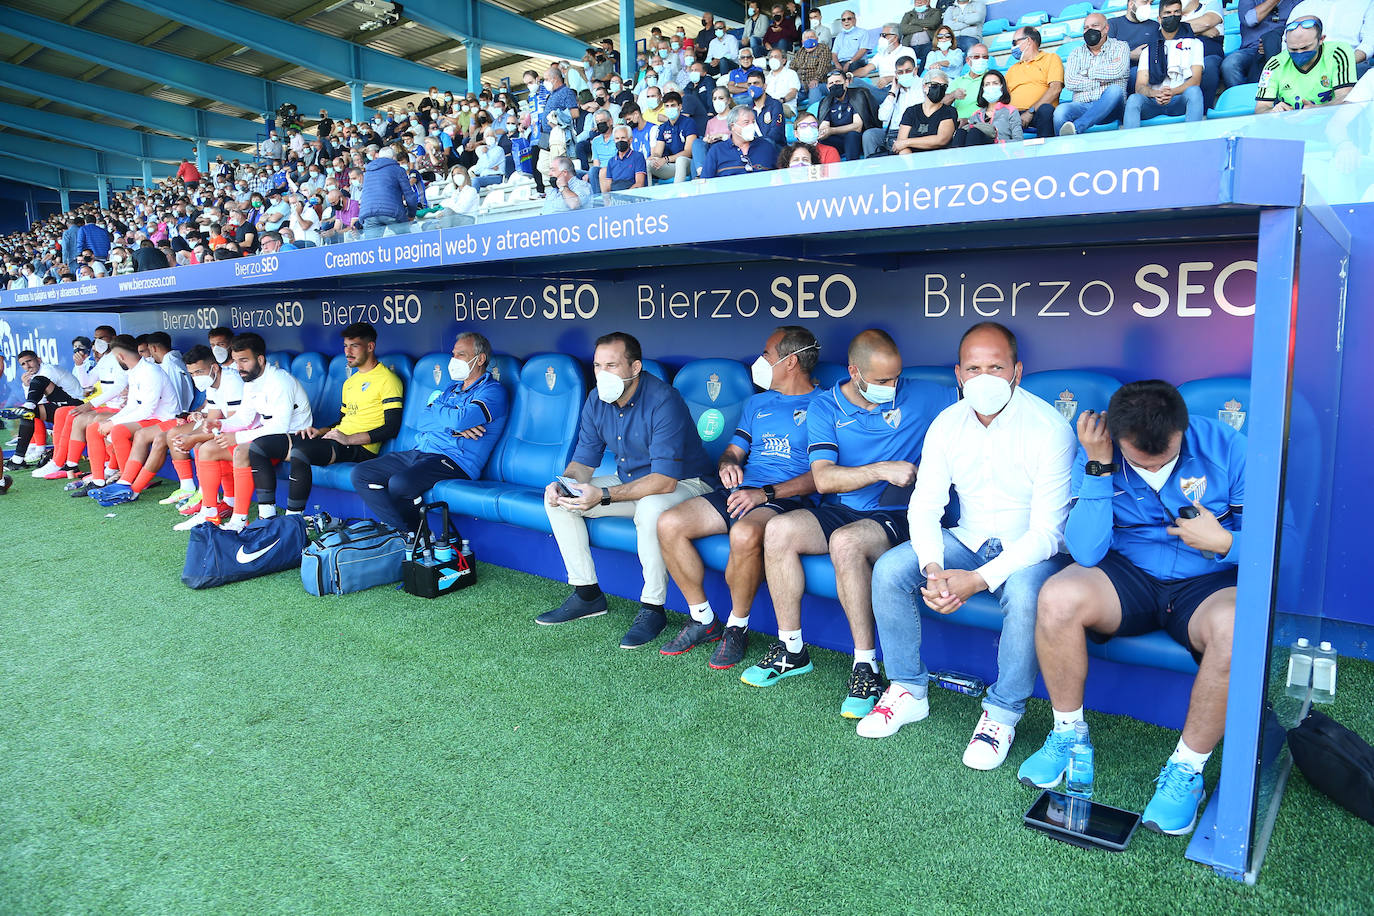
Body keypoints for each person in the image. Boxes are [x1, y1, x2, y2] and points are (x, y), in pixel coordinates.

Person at [1019, 381, 1248, 836]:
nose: (1155, 466)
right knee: (1058, 596)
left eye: (1165, 456)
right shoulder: (1099, 451)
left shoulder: (1227, 446)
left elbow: (1283, 546)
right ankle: (1068, 734)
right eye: (1141, 460)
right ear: (1117, 437)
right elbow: (1085, 551)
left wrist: (1225, 542)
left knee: (1236, 628)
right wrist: (1099, 468)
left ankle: (1187, 769)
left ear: (1183, 428)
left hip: (1209, 581)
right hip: (1130, 574)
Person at [864, 323, 1075, 771]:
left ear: (1017, 371)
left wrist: (977, 580)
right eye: (974, 368)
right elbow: (924, 506)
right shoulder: (948, 422)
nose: (984, 378)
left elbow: (1048, 534)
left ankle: (1001, 715)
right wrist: (933, 568)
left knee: (1025, 595)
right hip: (968, 538)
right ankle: (907, 689)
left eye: (996, 367)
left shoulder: (1050, 427)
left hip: (1029, 549)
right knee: (889, 570)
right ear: (958, 374)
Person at [742, 330, 956, 718]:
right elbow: (824, 479)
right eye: (881, 381)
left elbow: (979, 403)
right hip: (843, 504)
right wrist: (880, 470)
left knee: (846, 542)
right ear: (854, 371)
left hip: (897, 514)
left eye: (896, 378)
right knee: (778, 531)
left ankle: (866, 667)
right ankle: (792, 649)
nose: (892, 387)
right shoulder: (826, 406)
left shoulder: (927, 393)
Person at [537, 332, 717, 649]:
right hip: (634, 483)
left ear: (635, 367)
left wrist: (604, 495)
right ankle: (587, 594)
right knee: (558, 500)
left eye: (612, 365)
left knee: (650, 508)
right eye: (597, 366)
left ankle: (652, 609)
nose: (603, 373)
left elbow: (664, 482)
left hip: (688, 485)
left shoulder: (663, 399)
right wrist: (565, 482)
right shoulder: (596, 400)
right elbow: (583, 462)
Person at [656, 327, 821, 665]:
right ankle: (703, 619)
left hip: (785, 498)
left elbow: (823, 476)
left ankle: (737, 627)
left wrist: (766, 493)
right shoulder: (757, 402)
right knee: (669, 523)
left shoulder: (825, 404)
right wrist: (729, 464)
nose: (760, 361)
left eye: (768, 354)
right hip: (742, 491)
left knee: (745, 531)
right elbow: (733, 451)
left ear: (790, 362)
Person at [354, 332, 508, 538]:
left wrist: (449, 419)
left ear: (480, 359)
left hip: (455, 460)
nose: (454, 360)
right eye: (453, 354)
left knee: (401, 483)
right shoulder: (451, 388)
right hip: (421, 451)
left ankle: (414, 538)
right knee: (361, 474)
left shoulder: (493, 391)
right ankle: (407, 533)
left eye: (461, 355)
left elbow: (458, 420)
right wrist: (452, 427)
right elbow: (422, 421)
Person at [247, 323, 402, 520]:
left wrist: (349, 439)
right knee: (260, 446)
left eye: (354, 346)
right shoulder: (350, 382)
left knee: (300, 452)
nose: (348, 352)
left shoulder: (388, 380)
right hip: (336, 439)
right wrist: (319, 431)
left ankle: (292, 521)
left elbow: (392, 427)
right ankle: (266, 518)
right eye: (345, 346)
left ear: (370, 347)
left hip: (361, 449)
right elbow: (343, 421)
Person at [204, 333, 315, 532]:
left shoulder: (280, 381)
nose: (239, 367)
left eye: (244, 360)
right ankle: (209, 510)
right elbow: (244, 418)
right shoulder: (251, 381)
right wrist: (220, 424)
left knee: (241, 450)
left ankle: (240, 518)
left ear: (260, 359)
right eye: (237, 361)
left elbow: (280, 427)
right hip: (270, 441)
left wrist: (237, 437)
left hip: (295, 439)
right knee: (208, 448)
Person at [83, 336, 178, 496]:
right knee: (94, 428)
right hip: (148, 418)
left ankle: (127, 480)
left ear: (120, 356)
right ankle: (98, 481)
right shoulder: (134, 371)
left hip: (165, 419)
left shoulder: (150, 371)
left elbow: (147, 409)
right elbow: (133, 405)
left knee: (118, 430)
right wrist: (112, 421)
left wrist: (114, 424)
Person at [163, 346, 246, 523]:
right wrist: (192, 436)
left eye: (199, 371)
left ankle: (209, 512)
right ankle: (226, 503)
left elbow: (234, 426)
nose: (196, 377)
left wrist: (193, 438)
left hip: (248, 436)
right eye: (192, 373)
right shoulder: (212, 385)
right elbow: (213, 421)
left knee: (206, 448)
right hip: (236, 433)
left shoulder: (232, 382)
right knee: (201, 445)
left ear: (214, 367)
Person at [1125, 0, 1207, 126]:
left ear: (1181, 15)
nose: (1172, 16)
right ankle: (1131, 143)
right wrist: (1155, 93)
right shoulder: (1149, 50)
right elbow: (1140, 86)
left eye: (1176, 12)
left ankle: (1193, 139)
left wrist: (1172, 92)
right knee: (1134, 99)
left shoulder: (1195, 44)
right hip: (1154, 101)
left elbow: (1195, 80)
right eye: (1167, 13)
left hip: (1179, 99)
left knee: (1194, 92)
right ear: (1159, 19)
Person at [1254, 16, 1358, 110]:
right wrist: (1272, 112)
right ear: (1286, 43)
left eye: (1305, 47)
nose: (1299, 52)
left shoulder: (1338, 53)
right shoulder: (1274, 65)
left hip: (1332, 121)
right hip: (1290, 125)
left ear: (1321, 39)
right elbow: (1261, 108)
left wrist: (1316, 109)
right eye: (1293, 49)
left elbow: (1345, 96)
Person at [5, 350, 83, 471]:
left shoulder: (48, 371)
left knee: (37, 387)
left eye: (29, 361)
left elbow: (38, 400)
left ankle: (43, 452)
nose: (27, 366)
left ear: (39, 360)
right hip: (61, 406)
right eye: (23, 364)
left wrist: (29, 393)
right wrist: (26, 386)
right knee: (28, 413)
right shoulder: (32, 376)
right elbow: (35, 401)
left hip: (77, 405)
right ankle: (19, 458)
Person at [1057, 14, 1131, 135]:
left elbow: (1116, 71)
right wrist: (1101, 81)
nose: (1089, 30)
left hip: (1111, 107)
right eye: (1086, 28)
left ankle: (1076, 128)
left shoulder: (1120, 46)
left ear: (1106, 29)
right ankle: (1064, 149)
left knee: (1114, 90)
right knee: (1060, 111)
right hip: (1083, 106)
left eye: (1094, 26)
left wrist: (1086, 72)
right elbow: (1070, 82)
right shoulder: (1076, 53)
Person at [1222, 0, 1301, 88]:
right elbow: (1249, 20)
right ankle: (1243, 98)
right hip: (1252, 49)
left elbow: (1300, 27)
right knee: (1230, 64)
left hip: (1284, 47)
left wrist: (1272, 44)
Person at [1006, 26, 1064, 137]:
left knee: (1046, 110)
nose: (1012, 47)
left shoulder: (1051, 59)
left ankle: (1046, 151)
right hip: (1013, 115)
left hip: (1038, 113)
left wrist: (1030, 112)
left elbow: (1055, 89)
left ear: (1028, 41)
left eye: (1014, 42)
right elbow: (1003, 96)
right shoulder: (1012, 69)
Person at [865, 55, 925, 156]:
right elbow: (882, 116)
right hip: (892, 133)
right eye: (900, 72)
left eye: (908, 71)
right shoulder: (895, 91)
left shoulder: (923, 86)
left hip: (913, 131)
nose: (904, 74)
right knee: (870, 135)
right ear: (896, 74)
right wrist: (893, 90)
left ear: (915, 71)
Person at [358, 147, 421, 237]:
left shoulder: (368, 172)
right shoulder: (398, 170)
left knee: (372, 247)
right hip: (392, 212)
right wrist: (411, 215)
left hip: (368, 213)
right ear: (394, 157)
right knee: (406, 242)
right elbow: (410, 195)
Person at [701, 105, 778, 178]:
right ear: (732, 126)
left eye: (753, 122)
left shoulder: (767, 147)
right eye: (746, 122)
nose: (751, 126)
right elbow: (706, 183)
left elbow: (780, 176)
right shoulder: (717, 151)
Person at [951, 69, 1024, 145]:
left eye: (995, 83)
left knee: (974, 132)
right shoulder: (977, 114)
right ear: (983, 89)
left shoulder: (1011, 111)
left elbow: (1018, 140)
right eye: (987, 84)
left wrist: (997, 143)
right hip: (978, 149)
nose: (991, 87)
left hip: (1000, 151)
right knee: (960, 133)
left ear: (1002, 87)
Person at [894, 70, 958, 152]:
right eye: (934, 85)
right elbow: (900, 144)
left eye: (943, 86)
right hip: (912, 158)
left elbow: (941, 139)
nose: (939, 89)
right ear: (924, 87)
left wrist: (907, 142)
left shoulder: (948, 111)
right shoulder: (911, 111)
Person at [819, 70, 876, 160]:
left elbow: (857, 126)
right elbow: (824, 126)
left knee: (851, 135)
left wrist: (831, 130)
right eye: (831, 83)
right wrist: (822, 132)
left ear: (846, 82)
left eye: (838, 82)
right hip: (839, 141)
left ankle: (853, 168)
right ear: (827, 87)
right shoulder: (826, 102)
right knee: (821, 140)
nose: (834, 85)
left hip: (858, 140)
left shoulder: (857, 95)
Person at [648, 92, 698, 183]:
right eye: (667, 106)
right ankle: (649, 195)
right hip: (671, 166)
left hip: (687, 164)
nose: (669, 108)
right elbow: (658, 153)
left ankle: (677, 193)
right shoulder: (663, 127)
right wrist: (655, 158)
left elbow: (688, 152)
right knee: (648, 163)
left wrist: (666, 159)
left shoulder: (689, 122)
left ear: (680, 106)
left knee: (680, 160)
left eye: (672, 105)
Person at [949, 44, 995, 121]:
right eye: (976, 57)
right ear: (968, 60)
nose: (981, 60)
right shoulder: (958, 81)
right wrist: (953, 95)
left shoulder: (992, 80)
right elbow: (943, 103)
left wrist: (969, 120)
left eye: (985, 57)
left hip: (981, 123)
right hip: (957, 124)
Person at [794, 30, 835, 106]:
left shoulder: (823, 48)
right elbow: (793, 67)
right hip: (801, 86)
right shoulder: (800, 51)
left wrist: (816, 79)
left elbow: (823, 66)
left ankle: (813, 114)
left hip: (818, 83)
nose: (809, 39)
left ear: (817, 39)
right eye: (807, 38)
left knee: (814, 87)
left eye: (811, 37)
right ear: (802, 41)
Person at [832, 10, 874, 74]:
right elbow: (834, 53)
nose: (846, 21)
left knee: (851, 69)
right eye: (843, 19)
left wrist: (850, 62)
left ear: (854, 20)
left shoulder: (863, 32)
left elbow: (863, 50)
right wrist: (837, 64)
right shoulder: (839, 36)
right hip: (840, 63)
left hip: (856, 61)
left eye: (849, 19)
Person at [764, 48, 801, 115]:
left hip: (786, 107)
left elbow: (793, 92)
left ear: (783, 61)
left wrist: (782, 100)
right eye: (771, 57)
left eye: (776, 57)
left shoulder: (791, 73)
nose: (773, 59)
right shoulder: (767, 77)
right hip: (769, 107)